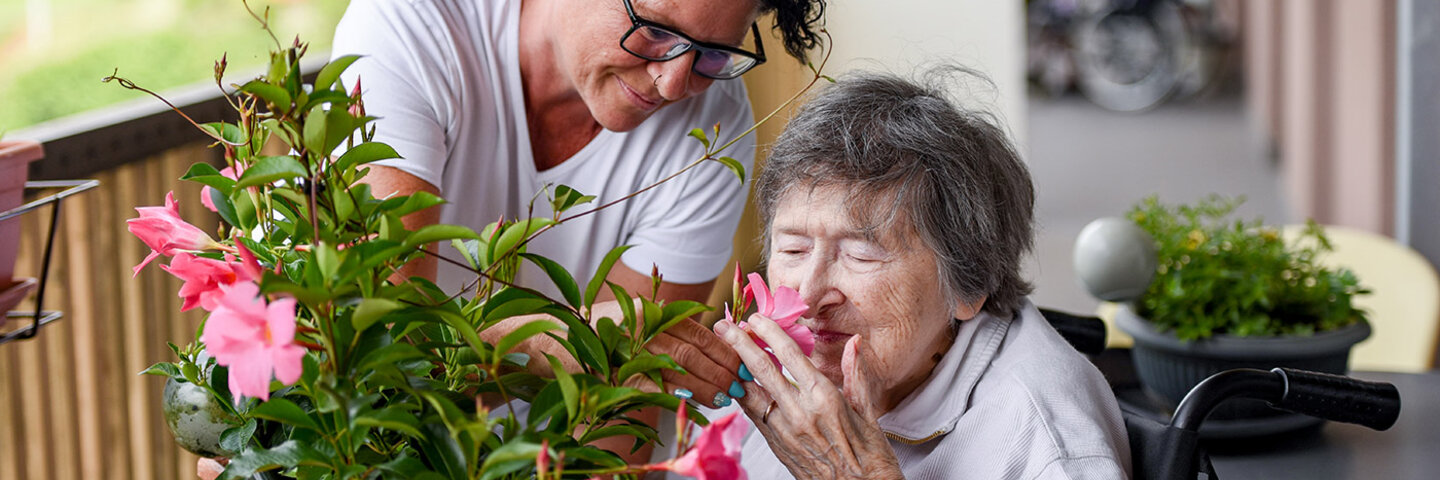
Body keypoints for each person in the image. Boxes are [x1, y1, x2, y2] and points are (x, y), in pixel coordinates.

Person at [330, 0, 825, 408]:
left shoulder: (713, 127)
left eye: (712, 54)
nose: (673, 84)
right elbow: (376, 354)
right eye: (654, 29)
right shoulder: (410, 28)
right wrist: (546, 340)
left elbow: (619, 412)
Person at [710, 69, 1132, 479]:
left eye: (860, 255)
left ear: (969, 283)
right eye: (793, 249)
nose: (807, 296)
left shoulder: (1046, 446)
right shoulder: (792, 362)